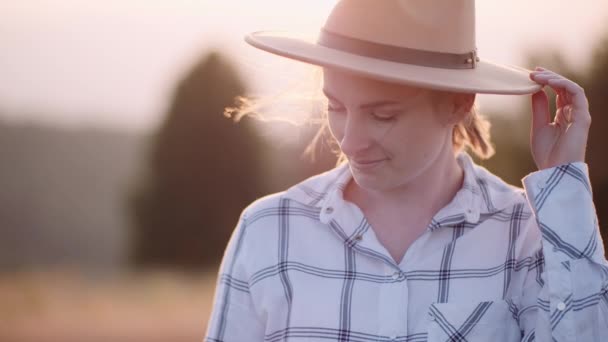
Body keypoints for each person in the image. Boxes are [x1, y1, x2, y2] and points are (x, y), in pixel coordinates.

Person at [205, 1, 607, 341]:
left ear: (458, 104)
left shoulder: (529, 236)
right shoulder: (267, 232)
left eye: (383, 115)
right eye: (336, 107)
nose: (349, 142)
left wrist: (563, 183)